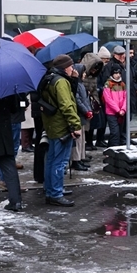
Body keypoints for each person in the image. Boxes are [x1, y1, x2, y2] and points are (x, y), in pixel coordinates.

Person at [39, 53, 81, 207]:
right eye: (71, 66)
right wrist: (75, 125)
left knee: (51, 160)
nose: (73, 69)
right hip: (61, 126)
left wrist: (74, 80)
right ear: (65, 67)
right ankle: (56, 193)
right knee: (60, 161)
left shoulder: (49, 78)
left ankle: (51, 190)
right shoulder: (61, 82)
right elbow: (67, 104)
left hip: (51, 124)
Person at [102, 70, 127, 147]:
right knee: (115, 132)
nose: (118, 75)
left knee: (118, 132)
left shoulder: (122, 84)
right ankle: (114, 149)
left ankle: (111, 148)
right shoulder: (108, 84)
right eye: (116, 73)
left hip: (121, 112)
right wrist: (118, 110)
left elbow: (126, 98)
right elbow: (108, 99)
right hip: (111, 112)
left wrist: (123, 109)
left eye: (119, 73)